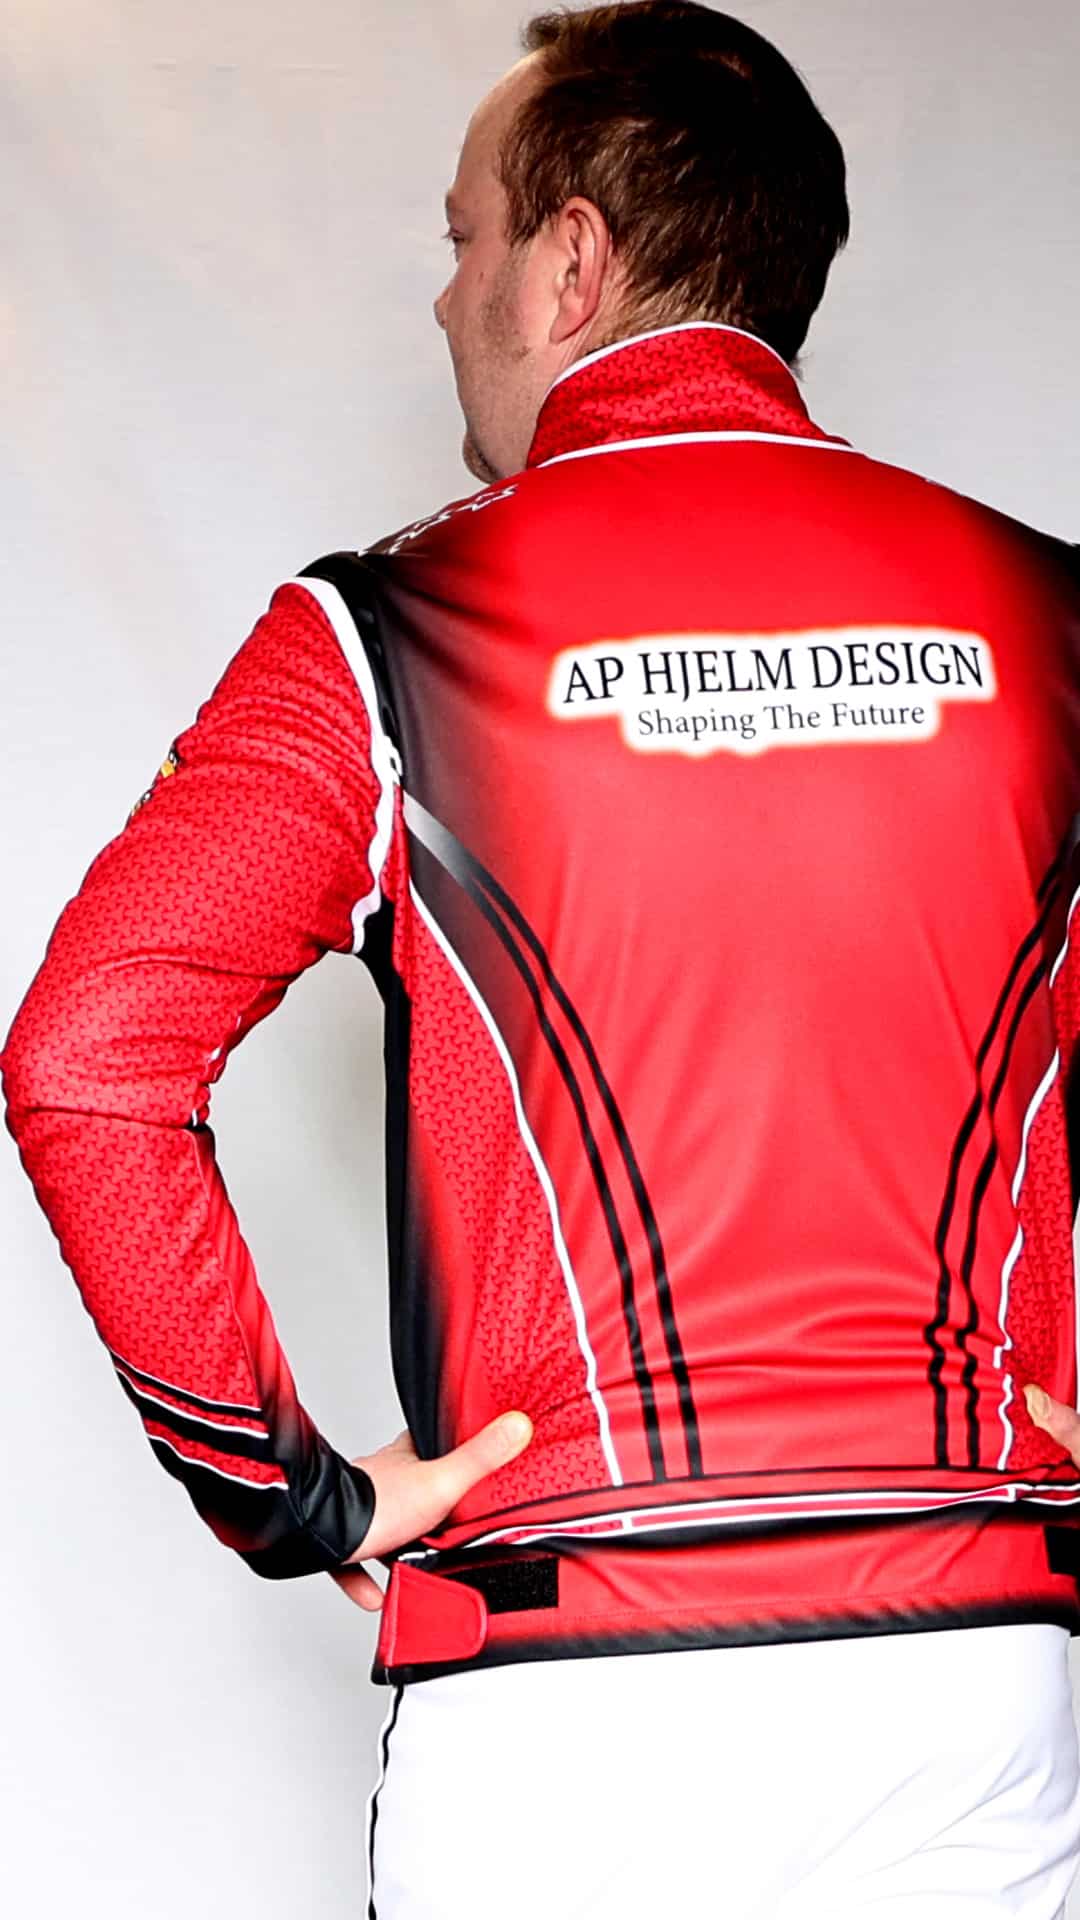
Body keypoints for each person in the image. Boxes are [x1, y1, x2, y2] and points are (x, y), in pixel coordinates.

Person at [5, 2, 1080, 1915]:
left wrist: (291, 1491)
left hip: (559, 1686)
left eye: (464, 237)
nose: (443, 300)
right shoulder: (1046, 613)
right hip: (974, 1663)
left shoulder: (389, 629)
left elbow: (88, 1054)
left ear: (572, 259)